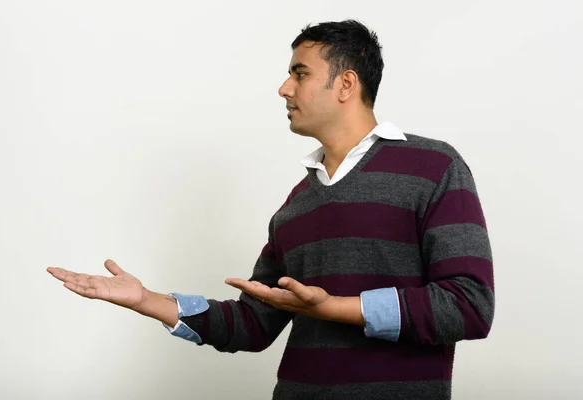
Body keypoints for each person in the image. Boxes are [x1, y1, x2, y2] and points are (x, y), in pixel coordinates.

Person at [47, 19, 494, 400]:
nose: (284, 88)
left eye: (300, 74)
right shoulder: (295, 207)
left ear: (345, 84)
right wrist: (147, 301)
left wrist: (337, 308)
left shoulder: (435, 167)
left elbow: (469, 305)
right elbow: (253, 323)